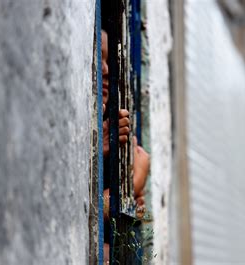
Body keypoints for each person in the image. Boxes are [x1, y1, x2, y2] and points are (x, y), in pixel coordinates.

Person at [100, 29, 150, 262]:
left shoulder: (115, 126)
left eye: (108, 60)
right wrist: (123, 194)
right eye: (97, 57)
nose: (106, 70)